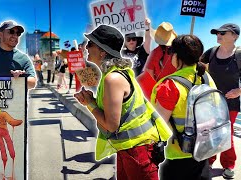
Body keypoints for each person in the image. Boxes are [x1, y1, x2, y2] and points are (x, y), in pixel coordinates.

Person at [74, 24, 171, 180]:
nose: (86, 47)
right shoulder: (113, 75)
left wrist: (90, 104)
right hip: (131, 149)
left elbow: (111, 125)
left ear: (102, 51)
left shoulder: (112, 79)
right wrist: (91, 100)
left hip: (138, 152)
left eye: (90, 43)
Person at [150, 35, 214, 180]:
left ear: (176, 56)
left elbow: (158, 127)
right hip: (202, 151)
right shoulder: (207, 78)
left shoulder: (169, 85)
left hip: (176, 157)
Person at [200, 23, 240, 179]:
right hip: (210, 102)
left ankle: (229, 165)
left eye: (223, 33)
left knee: (226, 134)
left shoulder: (239, 55)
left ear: (235, 36)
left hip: (230, 103)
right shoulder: (211, 53)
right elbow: (196, 66)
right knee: (209, 133)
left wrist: (239, 91)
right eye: (217, 32)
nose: (219, 35)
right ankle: (209, 161)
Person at [137, 22, 177, 100]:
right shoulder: (177, 53)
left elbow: (149, 74)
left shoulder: (154, 53)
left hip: (160, 92)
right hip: (176, 90)